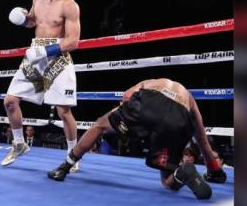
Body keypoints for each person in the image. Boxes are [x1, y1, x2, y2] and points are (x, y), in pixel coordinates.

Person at [48, 78, 227, 200]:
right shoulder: (189, 99)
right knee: (167, 181)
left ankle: (64, 168)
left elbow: (127, 96)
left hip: (149, 104)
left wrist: (125, 124)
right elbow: (202, 140)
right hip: (178, 120)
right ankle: (183, 173)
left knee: (100, 125)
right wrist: (215, 170)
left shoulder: (151, 83)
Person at [1, 0, 80, 172]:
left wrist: (45, 52)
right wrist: (22, 19)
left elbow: (73, 41)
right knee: (10, 101)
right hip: (36, 55)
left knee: (64, 111)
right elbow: (34, 22)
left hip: (58, 59)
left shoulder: (70, 6)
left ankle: (73, 155)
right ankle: (19, 143)